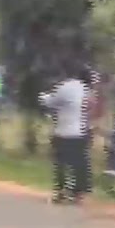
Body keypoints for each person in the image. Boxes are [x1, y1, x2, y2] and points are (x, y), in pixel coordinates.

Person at [38, 65, 93, 203]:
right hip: (81, 133)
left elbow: (50, 102)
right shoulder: (89, 91)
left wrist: (42, 95)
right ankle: (77, 194)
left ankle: (61, 193)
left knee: (61, 164)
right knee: (79, 164)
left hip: (64, 132)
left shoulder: (66, 86)